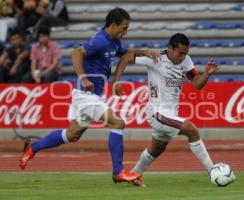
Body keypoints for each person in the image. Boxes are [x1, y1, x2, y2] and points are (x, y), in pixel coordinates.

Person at [19, 7, 160, 183]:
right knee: (118, 122)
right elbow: (76, 52)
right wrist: (84, 78)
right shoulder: (100, 41)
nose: (126, 31)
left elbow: (126, 52)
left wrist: (145, 51)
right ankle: (118, 171)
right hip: (86, 95)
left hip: (88, 95)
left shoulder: (114, 41)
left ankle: (32, 149)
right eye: (124, 28)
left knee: (72, 135)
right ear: (113, 25)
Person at [113, 33, 227, 187]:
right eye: (180, 53)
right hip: (157, 112)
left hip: (171, 114)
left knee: (157, 148)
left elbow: (197, 84)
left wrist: (206, 74)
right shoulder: (156, 58)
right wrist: (116, 81)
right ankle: (213, 170)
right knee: (191, 129)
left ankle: (134, 175)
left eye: (185, 53)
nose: (183, 56)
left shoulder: (186, 61)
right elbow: (126, 57)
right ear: (170, 48)